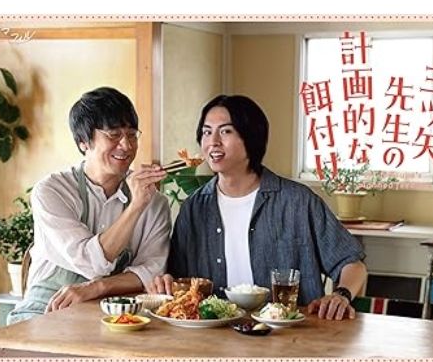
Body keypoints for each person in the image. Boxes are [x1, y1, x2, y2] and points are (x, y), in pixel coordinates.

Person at [150, 94, 367, 320]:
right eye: (206, 132)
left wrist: (341, 294)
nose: (213, 141)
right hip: (214, 333)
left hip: (291, 334)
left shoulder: (298, 202)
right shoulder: (194, 208)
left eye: (226, 131)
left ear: (251, 138)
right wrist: (165, 282)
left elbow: (351, 262)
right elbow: (177, 278)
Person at [8, 87, 171, 324]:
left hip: (114, 314)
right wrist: (135, 207)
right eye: (113, 135)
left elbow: (152, 271)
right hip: (45, 310)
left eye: (132, 135)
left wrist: (97, 288)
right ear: (83, 142)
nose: (126, 145)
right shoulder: (52, 191)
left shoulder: (153, 201)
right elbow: (91, 263)